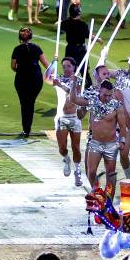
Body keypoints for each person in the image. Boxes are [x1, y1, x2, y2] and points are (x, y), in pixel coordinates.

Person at [69, 78, 130, 197]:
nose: (107, 98)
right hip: (95, 143)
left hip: (111, 145)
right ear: (99, 92)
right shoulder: (92, 101)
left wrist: (122, 141)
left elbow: (123, 126)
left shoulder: (117, 106)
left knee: (110, 174)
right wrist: (74, 84)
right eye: (104, 95)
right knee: (91, 172)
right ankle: (97, 195)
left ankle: (109, 201)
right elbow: (73, 99)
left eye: (109, 95)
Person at [45, 57, 83, 186]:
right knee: (62, 147)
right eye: (64, 66)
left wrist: (61, 85)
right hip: (61, 117)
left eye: (68, 66)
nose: (66, 69)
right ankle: (66, 160)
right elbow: (46, 77)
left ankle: (77, 172)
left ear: (74, 67)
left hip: (74, 117)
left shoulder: (79, 80)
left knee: (76, 147)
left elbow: (74, 96)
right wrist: (52, 63)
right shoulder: (59, 78)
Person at [11, 27, 49, 138]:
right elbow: (46, 65)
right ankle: (27, 128)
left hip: (22, 79)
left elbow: (13, 66)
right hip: (36, 79)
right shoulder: (37, 48)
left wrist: (22, 69)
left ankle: (26, 129)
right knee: (31, 103)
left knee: (24, 104)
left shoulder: (17, 49)